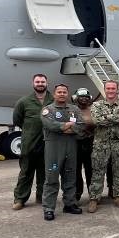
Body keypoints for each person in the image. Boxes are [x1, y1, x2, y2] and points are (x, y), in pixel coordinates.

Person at [40, 84, 84, 220]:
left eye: (64, 92)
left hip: (71, 147)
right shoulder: (48, 110)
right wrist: (67, 126)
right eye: (59, 92)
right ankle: (48, 208)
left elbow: (81, 126)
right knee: (52, 178)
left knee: (70, 176)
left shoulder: (74, 109)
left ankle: (69, 204)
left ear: (67, 94)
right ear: (54, 94)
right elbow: (50, 125)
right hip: (54, 147)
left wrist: (66, 128)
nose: (62, 94)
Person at [88, 80, 119, 213]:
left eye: (113, 88)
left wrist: (106, 117)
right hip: (100, 143)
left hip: (118, 143)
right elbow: (97, 120)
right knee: (97, 171)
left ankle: (118, 196)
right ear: (105, 90)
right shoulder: (97, 104)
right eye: (108, 88)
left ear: (117, 90)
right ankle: (94, 198)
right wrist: (115, 117)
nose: (111, 90)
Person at [12, 73, 53, 210]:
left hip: (48, 143)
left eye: (42, 82)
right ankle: (20, 199)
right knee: (26, 172)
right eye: (37, 82)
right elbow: (17, 120)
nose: (40, 84)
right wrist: (30, 131)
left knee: (44, 172)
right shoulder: (24, 102)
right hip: (29, 143)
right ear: (33, 84)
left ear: (47, 83)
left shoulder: (53, 100)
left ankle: (41, 197)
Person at [74, 88, 95, 202]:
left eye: (86, 97)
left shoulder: (93, 110)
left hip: (90, 142)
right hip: (76, 143)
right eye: (81, 97)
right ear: (76, 98)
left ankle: (92, 194)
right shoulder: (72, 110)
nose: (83, 99)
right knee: (76, 170)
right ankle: (77, 193)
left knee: (90, 170)